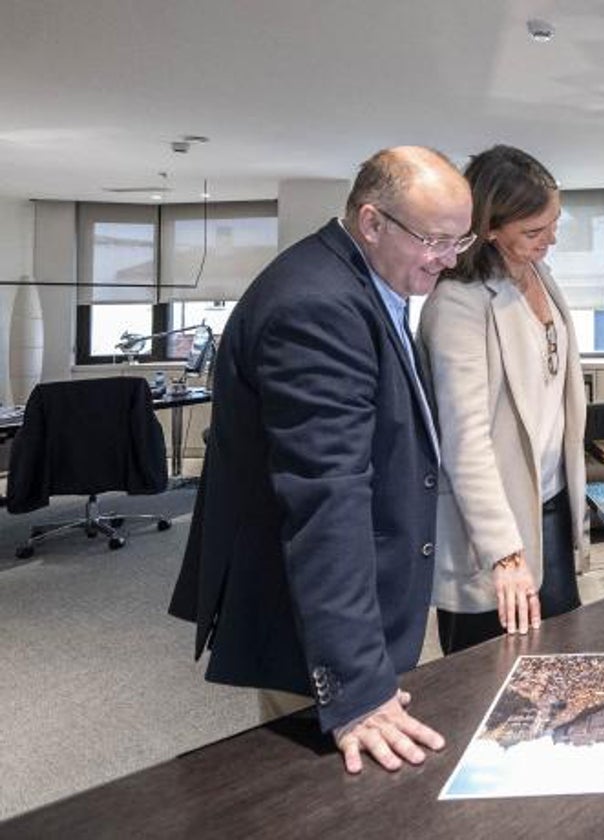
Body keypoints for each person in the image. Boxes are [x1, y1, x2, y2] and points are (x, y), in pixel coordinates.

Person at [168, 147, 474, 773]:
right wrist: (356, 688)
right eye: (435, 240)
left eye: (459, 241)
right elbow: (325, 498)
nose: (448, 259)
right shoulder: (317, 306)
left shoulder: (366, 282)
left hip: (365, 607)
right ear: (371, 222)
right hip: (316, 629)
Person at [418, 145, 587, 654]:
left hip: (551, 508)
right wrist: (504, 553)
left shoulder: (539, 274)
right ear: (489, 228)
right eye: (534, 232)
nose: (549, 241)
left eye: (554, 224)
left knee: (563, 662)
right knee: (492, 679)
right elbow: (464, 440)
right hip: (495, 529)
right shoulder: (457, 304)